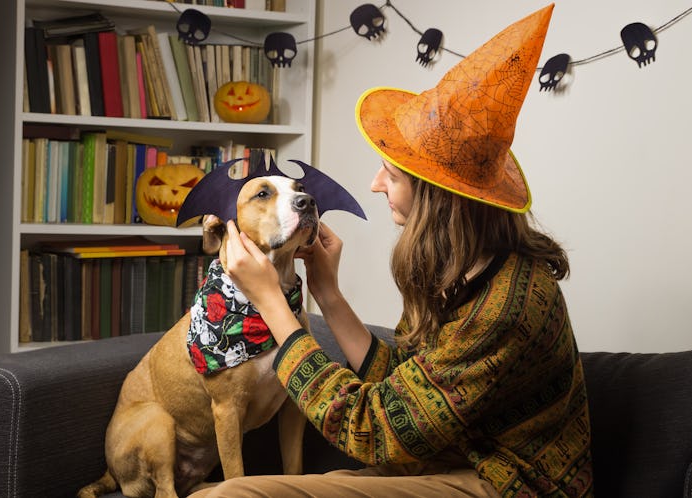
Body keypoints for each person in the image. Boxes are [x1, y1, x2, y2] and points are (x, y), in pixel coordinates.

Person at [190, 4, 593, 497]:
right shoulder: (460, 272)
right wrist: (329, 294)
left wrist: (273, 302)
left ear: (438, 200)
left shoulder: (509, 304)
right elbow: (406, 387)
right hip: (445, 461)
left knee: (234, 495)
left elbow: (376, 431)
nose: (376, 183)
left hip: (508, 483)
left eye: (393, 175)